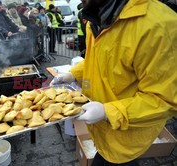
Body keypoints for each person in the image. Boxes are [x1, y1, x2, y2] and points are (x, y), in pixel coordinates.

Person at [51, 0, 177, 165]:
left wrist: (107, 112)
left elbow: (165, 100)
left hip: (126, 137)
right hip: (102, 133)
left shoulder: (158, 25)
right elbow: (98, 60)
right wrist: (73, 74)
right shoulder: (95, 19)